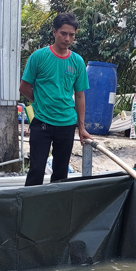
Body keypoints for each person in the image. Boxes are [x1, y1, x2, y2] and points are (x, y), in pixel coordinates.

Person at [20, 12, 91, 187]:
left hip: (67, 124)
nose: (67, 39)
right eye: (63, 33)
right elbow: (24, 87)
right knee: (36, 169)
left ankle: (57, 203)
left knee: (60, 172)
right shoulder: (39, 57)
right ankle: (31, 202)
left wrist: (81, 127)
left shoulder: (77, 62)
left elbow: (80, 95)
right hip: (42, 122)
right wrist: (40, 102)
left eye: (71, 35)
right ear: (54, 32)